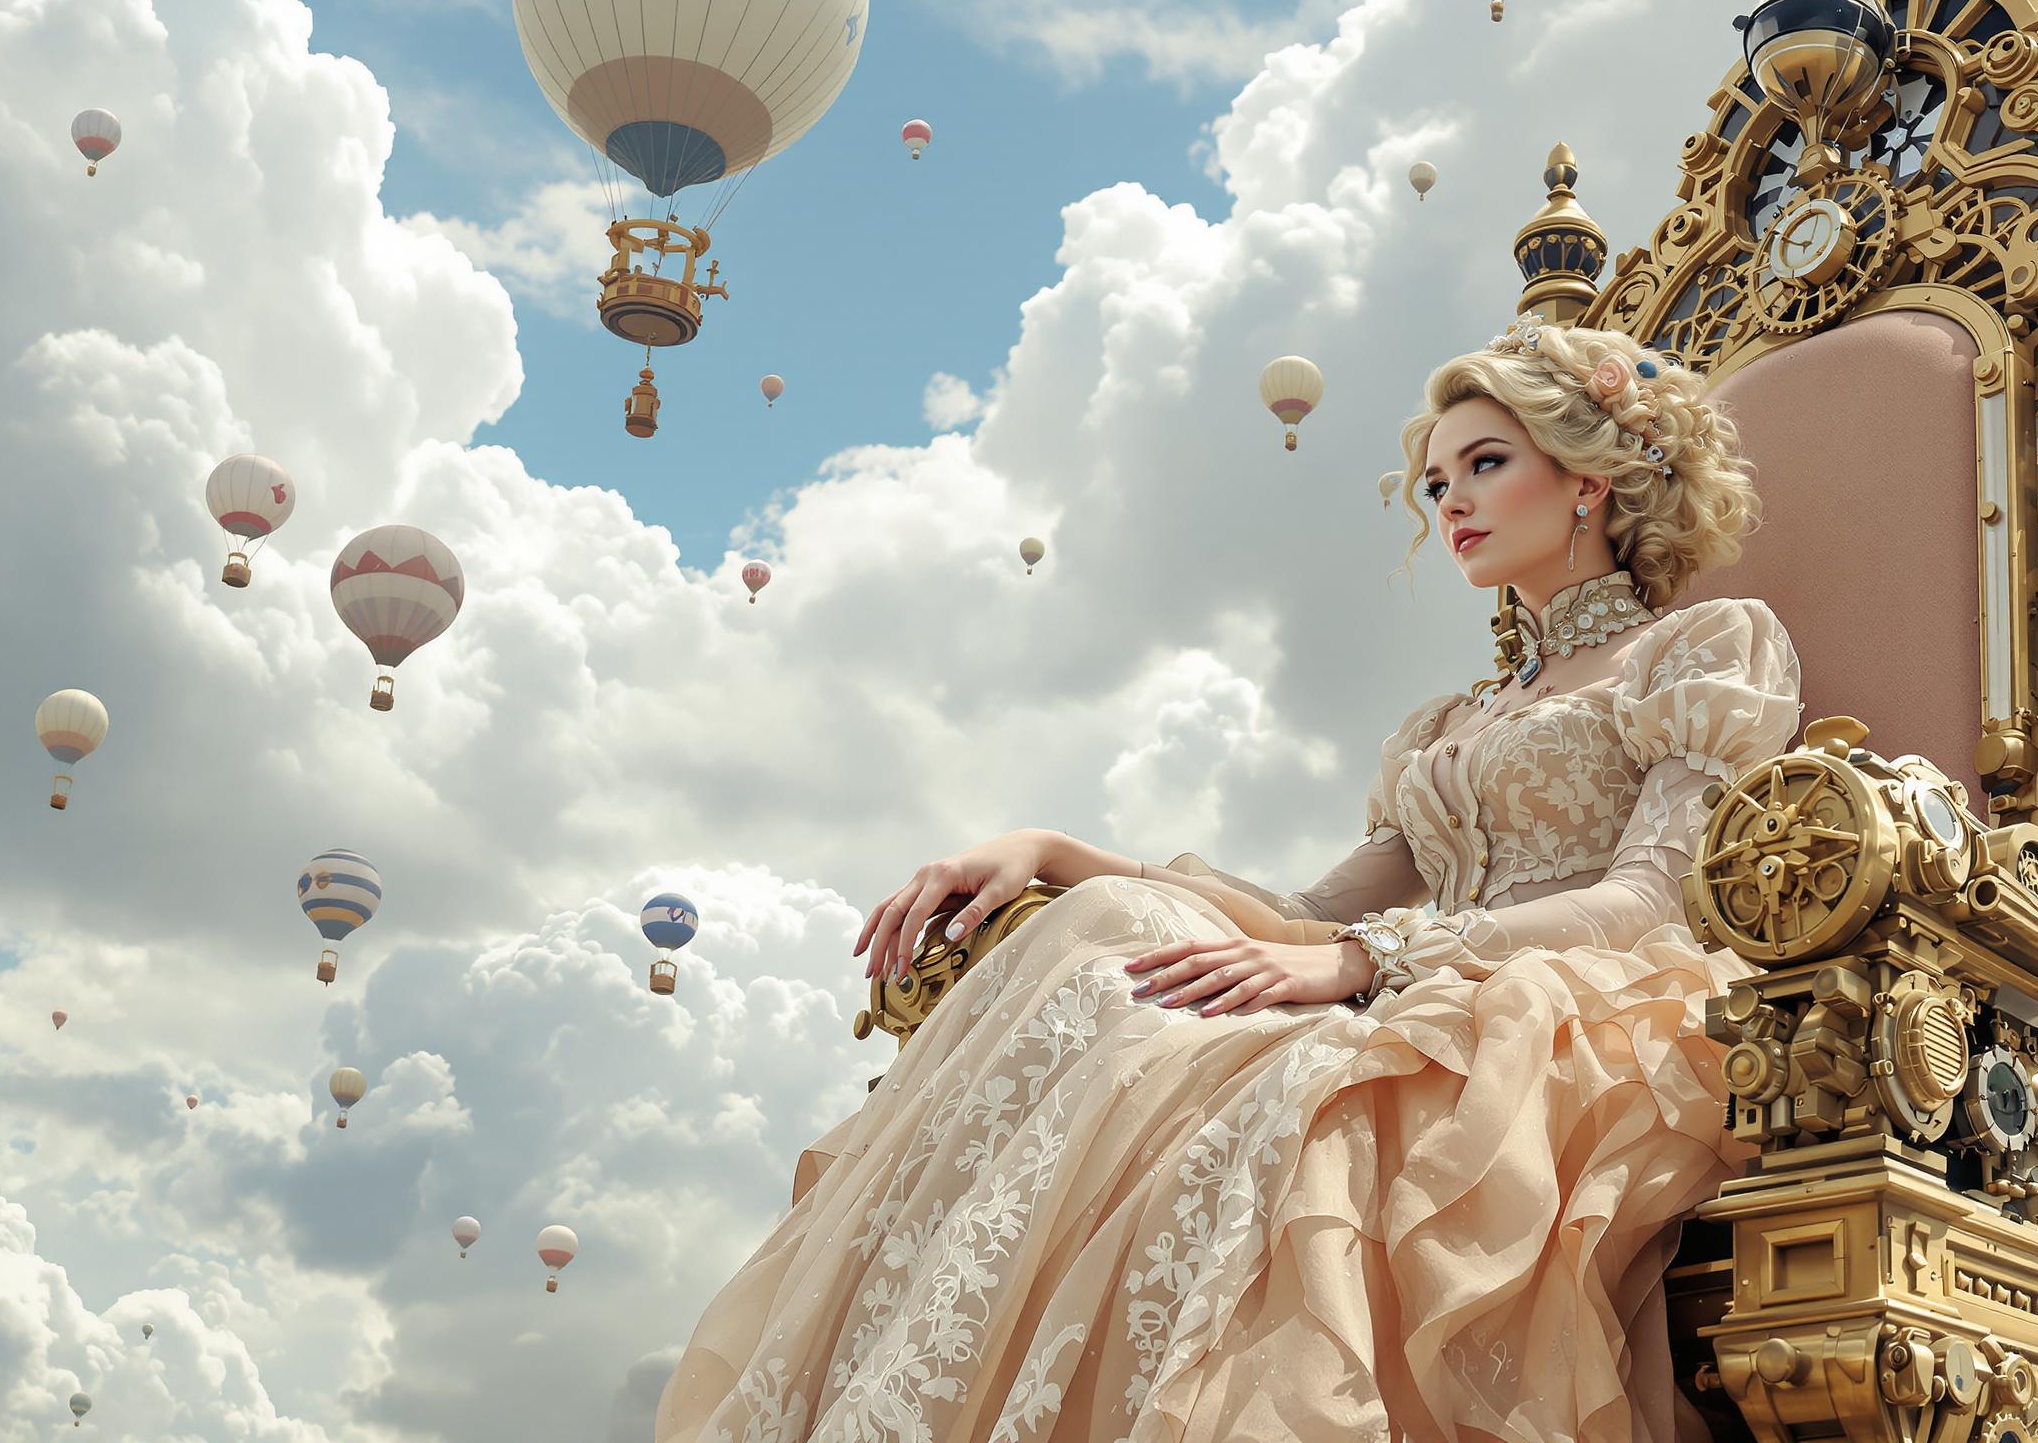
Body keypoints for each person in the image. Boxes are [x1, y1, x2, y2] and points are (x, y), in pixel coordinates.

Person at [654, 313, 1805, 1443]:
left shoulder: (1696, 650)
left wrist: (1363, 963)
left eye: (1483, 465)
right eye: (1435, 481)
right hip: (1411, 987)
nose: (1447, 501)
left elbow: (1646, 900)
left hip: (1577, 1007)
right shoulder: (1447, 724)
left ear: (1589, 481)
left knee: (1301, 1102)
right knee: (1111, 930)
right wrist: (1052, 852)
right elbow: (1304, 913)